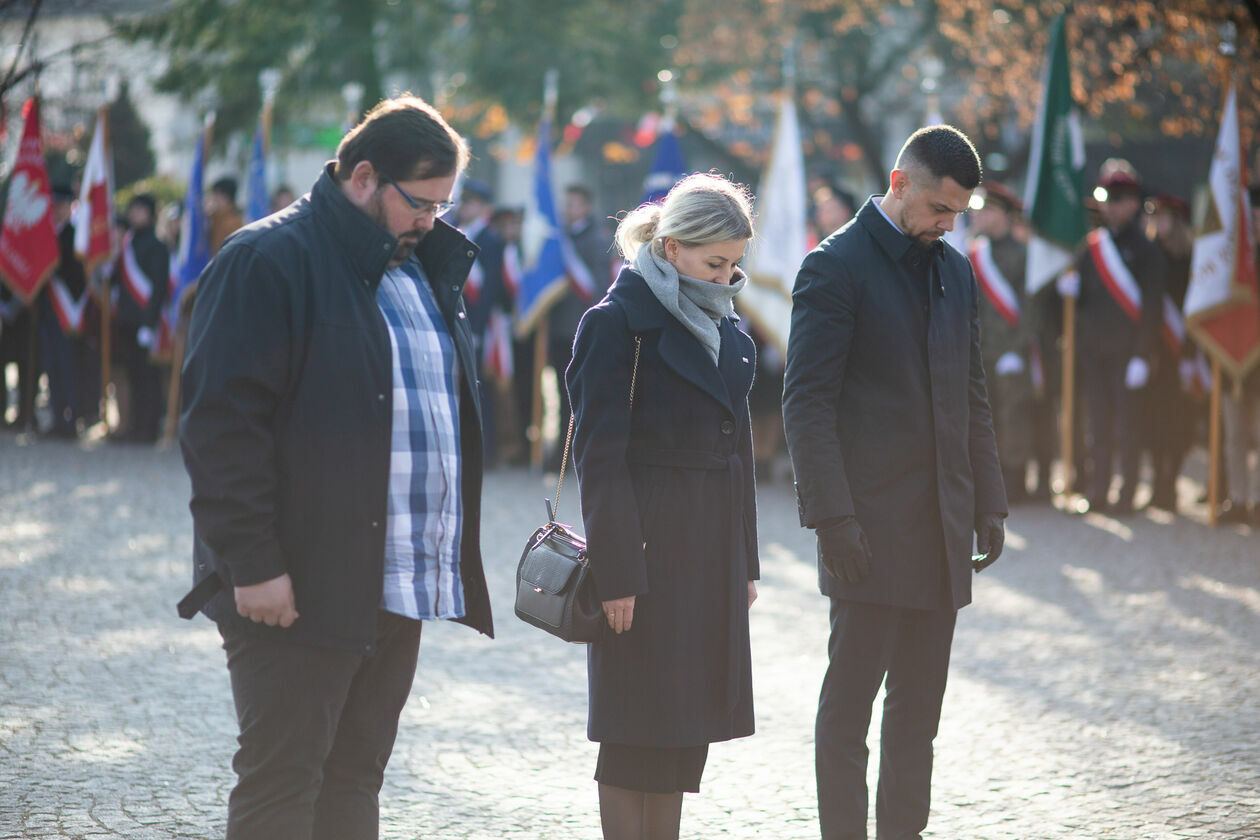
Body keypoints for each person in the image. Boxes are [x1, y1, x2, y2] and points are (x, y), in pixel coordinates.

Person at [178, 94, 494, 840]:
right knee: (284, 783)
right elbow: (221, 429)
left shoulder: (420, 268)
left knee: (354, 780)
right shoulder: (264, 259)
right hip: (296, 582)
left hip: (398, 583)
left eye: (445, 204)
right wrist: (253, 562)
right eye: (421, 202)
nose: (432, 221)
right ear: (361, 177)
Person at [782, 125, 1006, 840]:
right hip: (865, 534)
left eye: (959, 214)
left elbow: (971, 393)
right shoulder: (833, 267)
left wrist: (990, 502)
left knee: (919, 721)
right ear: (900, 181)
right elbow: (806, 404)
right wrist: (832, 521)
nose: (947, 225)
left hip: (940, 528)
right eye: (940, 208)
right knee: (847, 715)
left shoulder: (955, 269)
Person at [566, 172, 759, 840]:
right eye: (715, 262)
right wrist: (618, 572)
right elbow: (599, 459)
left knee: (683, 731)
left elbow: (742, 454)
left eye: (735, 264)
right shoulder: (617, 326)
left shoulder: (730, 332)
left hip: (709, 555)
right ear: (671, 248)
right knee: (633, 728)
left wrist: (747, 562)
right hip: (644, 556)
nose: (727, 277)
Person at [1062, 160, 1165, 514]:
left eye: (1120, 198)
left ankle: (1127, 494)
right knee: (1098, 426)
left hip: (1126, 352)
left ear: (1134, 202)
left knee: (1127, 427)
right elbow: (1085, 299)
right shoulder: (1091, 248)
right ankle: (1099, 490)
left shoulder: (1148, 250)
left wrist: (1142, 354)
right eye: (1108, 197)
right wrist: (1071, 289)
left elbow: (1152, 307)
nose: (1113, 205)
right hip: (1093, 350)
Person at [967, 182, 1035, 501]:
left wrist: (1017, 349)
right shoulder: (972, 255)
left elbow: (1030, 308)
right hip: (981, 352)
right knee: (984, 420)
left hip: (1011, 352)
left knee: (1014, 417)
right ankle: (989, 486)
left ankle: (1016, 483)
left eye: (988, 209)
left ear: (1005, 214)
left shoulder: (1023, 255)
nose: (979, 216)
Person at [549, 183, 613, 468]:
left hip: (582, 330)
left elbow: (598, 288)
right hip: (560, 328)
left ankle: (577, 454)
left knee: (581, 396)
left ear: (586, 207)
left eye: (574, 204)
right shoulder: (560, 238)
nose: (568, 209)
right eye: (567, 204)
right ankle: (561, 453)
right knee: (562, 395)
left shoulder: (597, 239)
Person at [1144, 195, 1196, 512]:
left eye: (1164, 217)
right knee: (1152, 420)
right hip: (1154, 352)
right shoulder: (1150, 256)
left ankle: (1172, 483)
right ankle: (1157, 485)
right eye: (1155, 217)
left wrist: (1191, 354)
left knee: (1180, 421)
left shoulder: (1189, 259)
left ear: (1177, 221)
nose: (1158, 223)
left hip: (1181, 352)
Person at [454, 179, 508, 465]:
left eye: (472, 202)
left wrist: (476, 326)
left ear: (483, 207)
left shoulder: (490, 239)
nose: (465, 207)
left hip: (481, 325)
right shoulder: (455, 233)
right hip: (458, 320)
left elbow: (490, 288)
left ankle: (487, 452)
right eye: (463, 201)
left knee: (481, 388)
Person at [111, 193, 170, 443]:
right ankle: (133, 426)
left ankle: (148, 428)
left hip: (145, 322)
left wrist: (149, 323)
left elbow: (158, 287)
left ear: (150, 214)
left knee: (148, 377)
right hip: (126, 320)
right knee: (132, 375)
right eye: (132, 209)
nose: (134, 214)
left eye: (140, 210)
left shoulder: (157, 246)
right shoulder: (127, 243)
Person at [37, 183, 88, 438]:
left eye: (61, 205)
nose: (57, 210)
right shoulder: (44, 234)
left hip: (68, 310)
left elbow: (78, 276)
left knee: (69, 367)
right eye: (53, 205)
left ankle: (72, 420)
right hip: (47, 310)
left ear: (70, 208)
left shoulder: (75, 236)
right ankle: (57, 418)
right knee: (51, 366)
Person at [207, 176, 245, 255]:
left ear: (225, 197)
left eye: (215, 195)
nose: (212, 198)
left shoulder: (234, 222)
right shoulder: (215, 217)